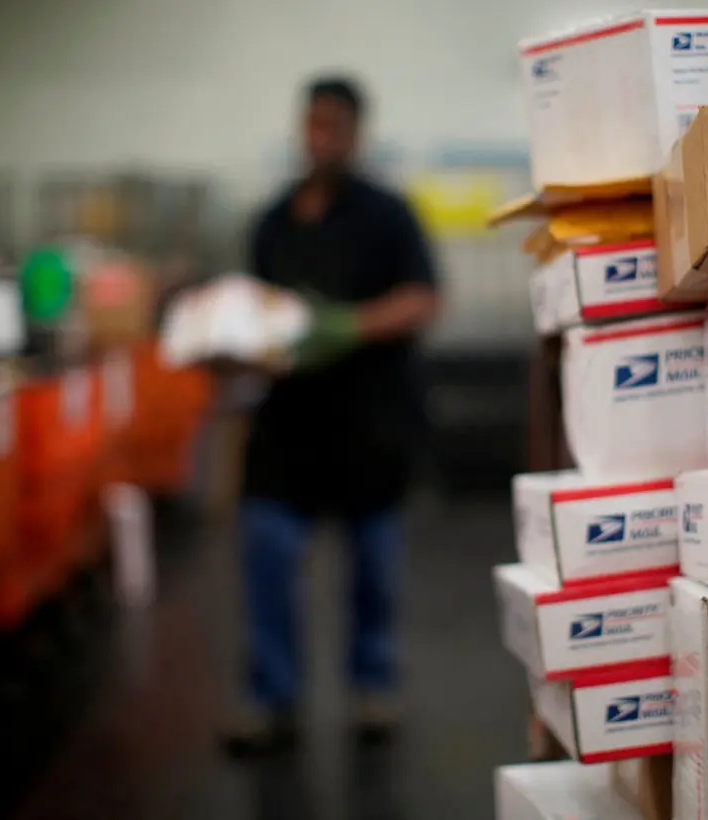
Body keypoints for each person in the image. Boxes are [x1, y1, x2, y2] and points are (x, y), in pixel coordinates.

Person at [224, 75, 441, 753]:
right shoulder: (271, 222)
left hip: (369, 426)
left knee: (373, 570)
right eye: (312, 125)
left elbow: (424, 300)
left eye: (334, 128)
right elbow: (254, 314)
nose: (321, 139)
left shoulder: (387, 215)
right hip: (286, 430)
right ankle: (272, 696)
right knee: (266, 553)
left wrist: (349, 325)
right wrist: (235, 347)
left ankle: (373, 686)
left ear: (355, 133)